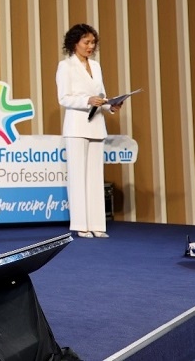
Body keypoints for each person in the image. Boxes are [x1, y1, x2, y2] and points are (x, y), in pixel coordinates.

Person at [56, 23, 122, 239]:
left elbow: (101, 95)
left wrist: (110, 105)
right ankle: (80, 225)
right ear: (75, 43)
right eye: (86, 42)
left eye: (93, 42)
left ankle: (97, 224)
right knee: (77, 177)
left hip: (96, 125)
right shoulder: (65, 66)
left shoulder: (96, 66)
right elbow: (64, 98)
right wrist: (87, 100)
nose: (90, 46)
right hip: (76, 126)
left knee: (95, 177)